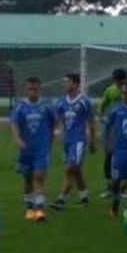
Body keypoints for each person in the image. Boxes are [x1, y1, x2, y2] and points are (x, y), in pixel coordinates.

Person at [10, 77, 56, 222]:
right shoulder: (20, 106)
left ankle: (40, 210)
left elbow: (54, 121)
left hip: (41, 149)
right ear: (26, 89)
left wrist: (50, 139)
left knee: (38, 177)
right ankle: (30, 207)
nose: (33, 91)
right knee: (28, 179)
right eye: (30, 89)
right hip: (26, 149)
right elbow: (14, 125)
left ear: (39, 89)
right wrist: (18, 140)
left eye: (35, 89)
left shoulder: (46, 106)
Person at [52, 73, 96, 209]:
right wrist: (51, 135)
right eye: (64, 82)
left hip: (78, 141)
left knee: (70, 169)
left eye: (68, 82)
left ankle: (61, 199)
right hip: (66, 140)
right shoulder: (61, 102)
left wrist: (92, 142)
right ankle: (84, 197)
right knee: (75, 170)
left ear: (76, 84)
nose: (65, 84)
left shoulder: (84, 101)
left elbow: (91, 122)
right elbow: (56, 120)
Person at [103, 81, 127, 219]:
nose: (124, 95)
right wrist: (107, 145)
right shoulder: (116, 109)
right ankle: (115, 207)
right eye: (122, 93)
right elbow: (106, 127)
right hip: (119, 151)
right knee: (116, 180)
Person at [99, 68, 127, 198]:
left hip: (125, 127)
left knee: (126, 156)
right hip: (112, 127)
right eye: (117, 81)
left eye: (120, 81)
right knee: (109, 155)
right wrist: (102, 116)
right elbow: (103, 105)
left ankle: (123, 187)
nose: (119, 83)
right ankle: (109, 186)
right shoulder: (110, 90)